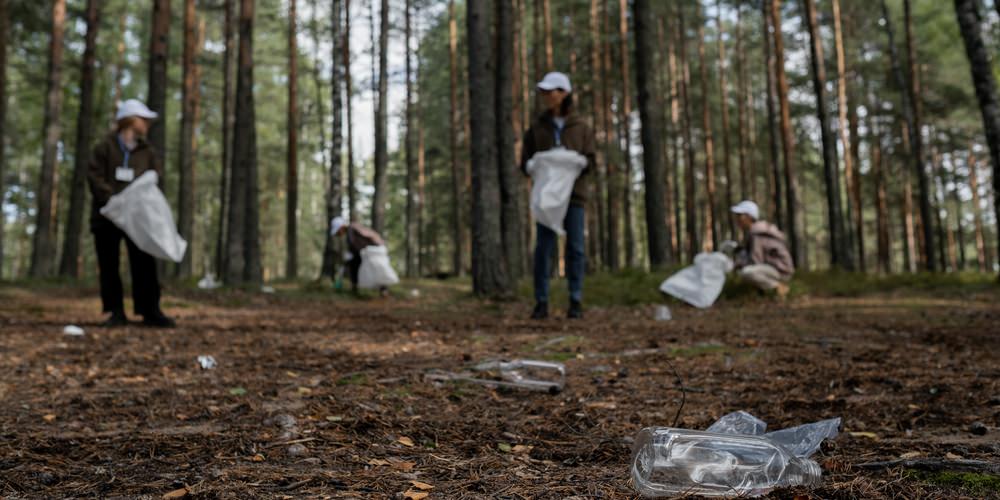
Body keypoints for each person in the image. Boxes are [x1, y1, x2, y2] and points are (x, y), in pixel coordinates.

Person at [87, 99, 175, 328]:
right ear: (130, 120)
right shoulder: (104, 147)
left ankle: (150, 310)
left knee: (144, 261)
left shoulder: (147, 151)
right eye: (143, 119)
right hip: (107, 216)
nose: (147, 124)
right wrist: (112, 200)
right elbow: (94, 176)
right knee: (109, 264)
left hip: (137, 218)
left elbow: (155, 178)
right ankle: (115, 311)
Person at [521, 72, 597, 320]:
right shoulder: (537, 128)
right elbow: (525, 161)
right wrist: (532, 165)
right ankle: (541, 301)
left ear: (563, 93)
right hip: (546, 199)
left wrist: (578, 163)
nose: (545, 96)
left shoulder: (581, 127)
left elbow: (592, 161)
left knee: (575, 248)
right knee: (544, 249)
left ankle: (575, 300)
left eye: (550, 91)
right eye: (543, 92)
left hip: (574, 197)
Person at [729, 200, 794, 297]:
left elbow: (756, 261)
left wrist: (738, 265)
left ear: (749, 217)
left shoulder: (756, 234)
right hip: (777, 268)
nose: (737, 219)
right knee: (746, 270)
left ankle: (778, 287)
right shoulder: (758, 231)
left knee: (746, 272)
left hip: (781, 270)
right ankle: (763, 293)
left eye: (740, 215)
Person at [329, 216, 389, 296]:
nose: (338, 234)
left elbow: (355, 244)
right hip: (369, 250)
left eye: (338, 231)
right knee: (369, 267)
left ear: (341, 227)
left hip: (371, 250)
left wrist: (351, 255)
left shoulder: (350, 230)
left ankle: (356, 288)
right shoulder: (353, 228)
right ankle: (382, 289)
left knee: (364, 266)